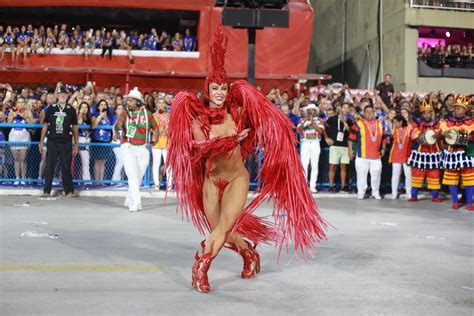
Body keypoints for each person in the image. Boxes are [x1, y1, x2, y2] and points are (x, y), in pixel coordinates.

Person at [167, 26, 327, 293]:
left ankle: (201, 267)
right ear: (207, 90)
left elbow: (265, 118)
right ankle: (249, 254)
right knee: (224, 231)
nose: (219, 92)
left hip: (235, 179)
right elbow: (201, 148)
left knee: (225, 226)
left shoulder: (237, 112)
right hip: (211, 181)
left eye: (223, 88)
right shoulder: (197, 119)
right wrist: (230, 140)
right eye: (214, 87)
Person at [113, 88, 159, 212]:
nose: (128, 102)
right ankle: (136, 202)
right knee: (132, 176)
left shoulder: (147, 114)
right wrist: (116, 129)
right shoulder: (125, 113)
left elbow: (155, 128)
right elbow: (117, 125)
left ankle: (129, 198)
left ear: (138, 102)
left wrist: (155, 138)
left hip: (143, 148)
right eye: (127, 100)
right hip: (128, 147)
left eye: (131, 100)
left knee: (138, 176)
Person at [39, 86, 79, 197]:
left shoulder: (71, 109)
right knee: (50, 166)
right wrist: (41, 141)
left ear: (67, 95)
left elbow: (75, 127)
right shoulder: (51, 108)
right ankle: (46, 191)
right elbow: (45, 125)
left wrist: (76, 143)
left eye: (64, 94)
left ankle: (69, 191)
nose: (62, 95)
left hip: (66, 141)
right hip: (52, 141)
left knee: (66, 167)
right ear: (57, 95)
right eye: (60, 93)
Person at [439, 95, 473, 210]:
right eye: (456, 107)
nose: (457, 109)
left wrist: (469, 136)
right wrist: (442, 135)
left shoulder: (471, 123)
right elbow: (438, 135)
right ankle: (455, 202)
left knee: (469, 178)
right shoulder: (445, 122)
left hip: (465, 152)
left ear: (465, 110)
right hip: (451, 152)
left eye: (460, 108)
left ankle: (469, 203)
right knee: (451, 177)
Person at [348, 104, 388, 200]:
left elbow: (385, 138)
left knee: (376, 174)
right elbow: (351, 139)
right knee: (361, 175)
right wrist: (350, 151)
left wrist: (383, 148)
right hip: (362, 155)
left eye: (371, 111)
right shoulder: (358, 124)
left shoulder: (380, 124)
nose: (369, 113)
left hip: (376, 156)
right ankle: (361, 192)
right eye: (367, 111)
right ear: (364, 113)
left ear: (374, 113)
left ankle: (375, 192)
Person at [407, 99, 442, 203]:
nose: (427, 115)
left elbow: (440, 135)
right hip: (420, 153)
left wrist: (437, 134)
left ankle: (435, 196)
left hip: (434, 153)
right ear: (421, 114)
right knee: (417, 174)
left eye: (429, 112)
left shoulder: (437, 124)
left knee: (434, 175)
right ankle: (414, 196)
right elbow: (412, 136)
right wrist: (421, 134)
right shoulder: (416, 124)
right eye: (425, 113)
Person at [324, 102, 352, 192]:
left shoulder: (349, 121)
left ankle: (343, 187)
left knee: (344, 166)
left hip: (345, 146)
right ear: (341, 108)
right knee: (332, 166)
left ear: (348, 110)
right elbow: (323, 126)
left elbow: (350, 131)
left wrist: (344, 121)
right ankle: (331, 186)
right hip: (334, 145)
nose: (345, 109)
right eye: (344, 107)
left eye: (347, 108)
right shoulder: (332, 119)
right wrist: (326, 137)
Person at [297, 103, 325, 193]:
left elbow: (321, 131)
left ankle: (313, 186)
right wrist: (305, 124)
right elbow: (298, 130)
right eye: (309, 110)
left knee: (314, 165)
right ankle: (303, 184)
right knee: (304, 164)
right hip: (305, 143)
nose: (310, 112)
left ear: (315, 111)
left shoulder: (320, 120)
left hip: (315, 143)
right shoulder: (302, 120)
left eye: (312, 110)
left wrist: (313, 124)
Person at [7, 96, 35, 184]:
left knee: (23, 158)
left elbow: (32, 125)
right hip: (14, 136)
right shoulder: (12, 111)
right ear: (16, 104)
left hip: (24, 137)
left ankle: (23, 178)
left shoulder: (27, 112)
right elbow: (7, 124)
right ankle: (17, 177)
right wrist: (13, 117)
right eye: (19, 102)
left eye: (22, 102)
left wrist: (25, 118)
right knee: (16, 158)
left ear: (24, 103)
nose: (20, 104)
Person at [389, 115, 412, 200]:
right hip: (396, 154)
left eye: (395, 122)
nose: (394, 124)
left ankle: (409, 193)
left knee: (408, 174)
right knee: (395, 174)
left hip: (406, 154)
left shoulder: (409, 129)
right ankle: (394, 193)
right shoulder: (394, 130)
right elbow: (390, 137)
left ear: (401, 122)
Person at [152, 97, 171, 190]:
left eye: (162, 102)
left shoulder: (169, 116)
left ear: (165, 104)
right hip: (156, 142)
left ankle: (169, 184)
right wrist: (158, 131)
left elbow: (173, 128)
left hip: (167, 142)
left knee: (168, 164)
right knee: (156, 163)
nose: (161, 104)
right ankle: (156, 184)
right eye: (159, 102)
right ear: (156, 104)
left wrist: (167, 131)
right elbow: (151, 128)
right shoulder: (153, 115)